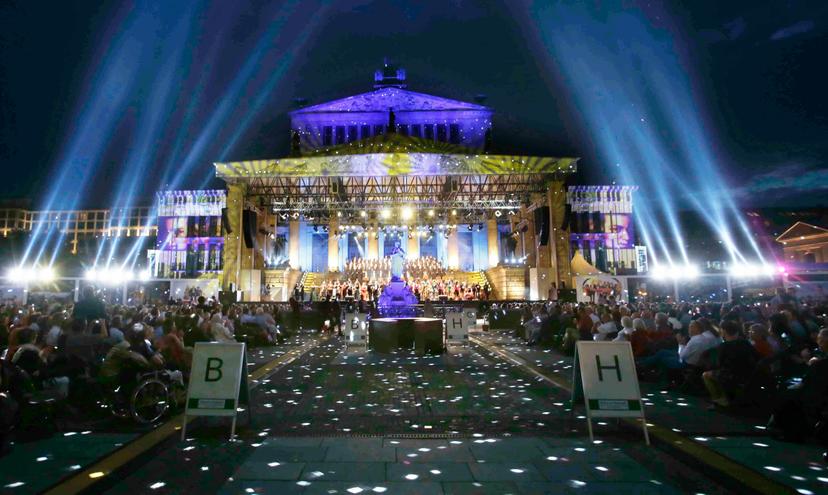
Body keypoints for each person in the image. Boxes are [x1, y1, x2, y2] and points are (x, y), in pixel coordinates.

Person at [703, 320, 760, 408]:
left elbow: (718, 364)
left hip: (731, 375)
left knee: (706, 375)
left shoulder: (724, 346)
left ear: (724, 331)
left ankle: (719, 399)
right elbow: (756, 357)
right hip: (748, 374)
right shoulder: (745, 343)